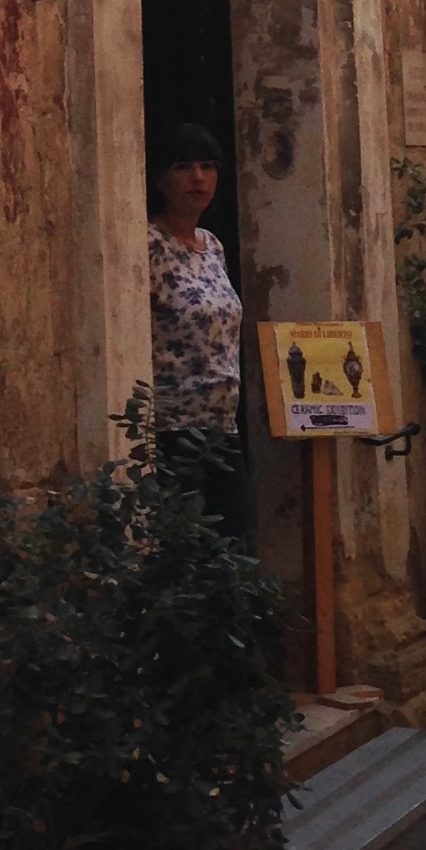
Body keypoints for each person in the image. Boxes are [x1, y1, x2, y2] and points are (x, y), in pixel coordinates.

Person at [146, 121, 254, 540]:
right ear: (160, 179)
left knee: (236, 544)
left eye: (207, 166)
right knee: (183, 548)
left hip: (222, 427)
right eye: (183, 167)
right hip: (173, 430)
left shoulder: (213, 246)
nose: (198, 177)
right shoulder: (147, 245)